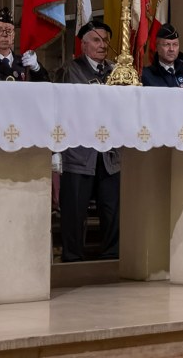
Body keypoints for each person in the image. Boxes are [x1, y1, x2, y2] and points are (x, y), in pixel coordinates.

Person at [57, 19, 119, 261]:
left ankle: (113, 255)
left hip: (110, 155)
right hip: (79, 152)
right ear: (83, 45)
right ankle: (72, 257)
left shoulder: (115, 71)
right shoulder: (69, 71)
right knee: (74, 209)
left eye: (105, 40)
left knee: (112, 209)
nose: (102, 45)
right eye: (96, 40)